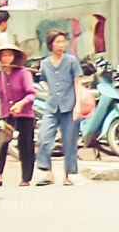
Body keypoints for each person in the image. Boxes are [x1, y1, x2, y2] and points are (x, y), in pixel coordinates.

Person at [35, 29, 83, 186]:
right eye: (58, 42)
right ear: (51, 44)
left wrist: (78, 105)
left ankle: (67, 176)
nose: (61, 45)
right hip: (51, 106)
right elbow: (46, 82)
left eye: (63, 42)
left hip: (69, 106)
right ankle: (48, 173)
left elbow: (77, 83)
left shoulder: (71, 60)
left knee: (69, 142)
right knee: (44, 138)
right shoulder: (45, 63)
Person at [0, 42, 36, 188]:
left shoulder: (23, 73)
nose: (7, 58)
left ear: (14, 57)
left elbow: (31, 93)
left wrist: (21, 104)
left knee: (25, 145)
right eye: (4, 55)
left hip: (24, 114)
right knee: (2, 143)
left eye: (9, 55)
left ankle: (26, 178)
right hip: (7, 114)